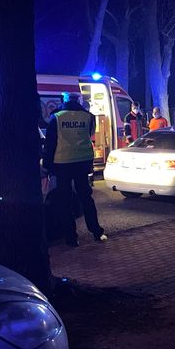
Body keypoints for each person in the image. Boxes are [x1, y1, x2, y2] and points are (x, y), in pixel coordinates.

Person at [43, 93, 107, 247]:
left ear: (64, 101)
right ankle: (96, 231)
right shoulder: (88, 117)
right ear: (78, 101)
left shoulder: (56, 117)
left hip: (62, 163)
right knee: (86, 198)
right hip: (82, 163)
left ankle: (71, 238)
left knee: (65, 201)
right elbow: (89, 135)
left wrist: (47, 165)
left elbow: (50, 143)